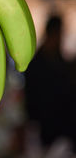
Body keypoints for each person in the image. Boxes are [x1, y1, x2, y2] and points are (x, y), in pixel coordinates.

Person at [24, 15, 75, 148]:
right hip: (44, 127)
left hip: (61, 127)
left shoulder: (60, 61)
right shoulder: (37, 64)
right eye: (59, 33)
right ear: (51, 33)